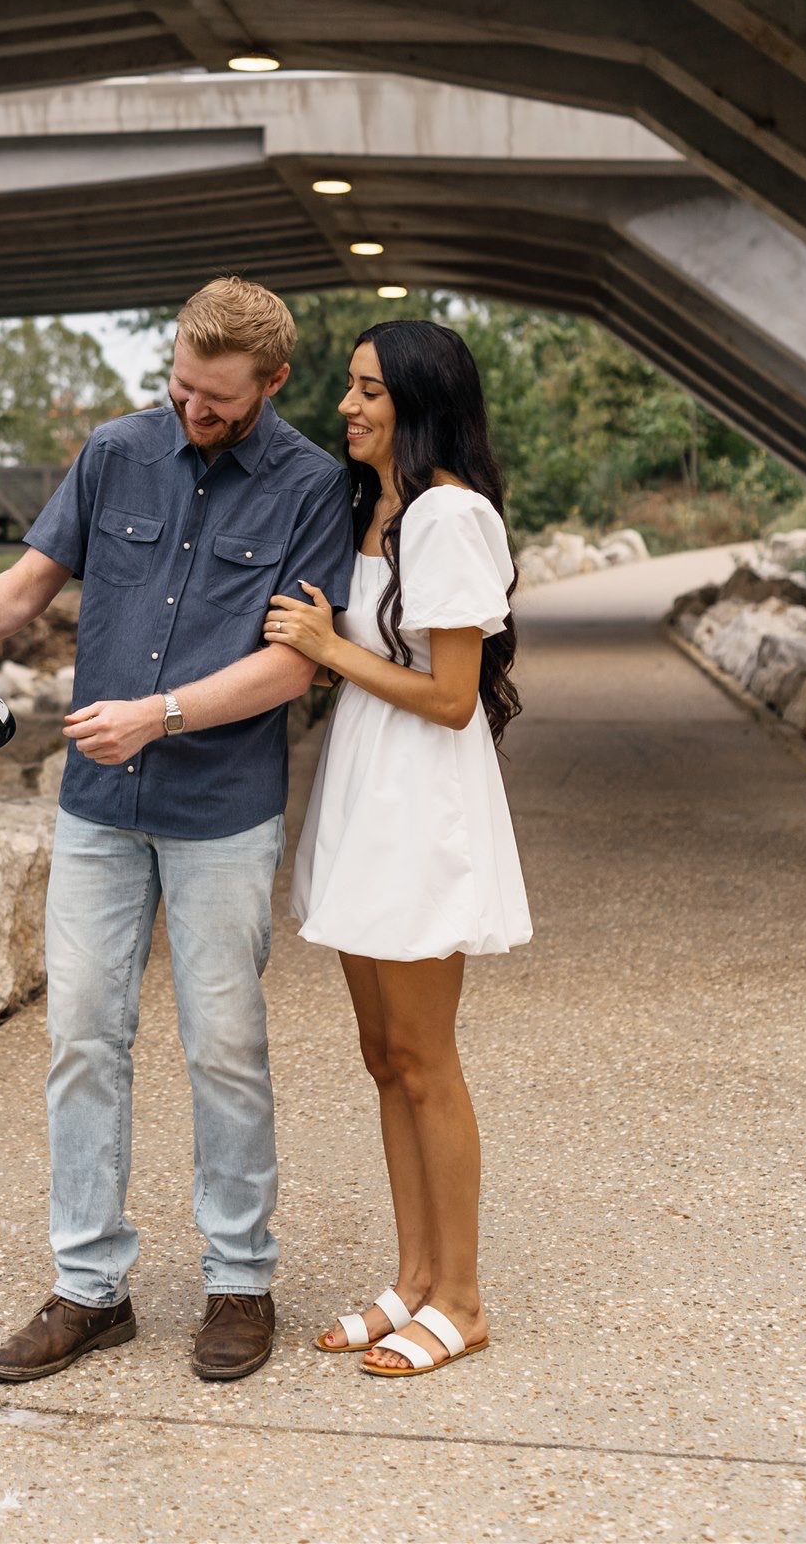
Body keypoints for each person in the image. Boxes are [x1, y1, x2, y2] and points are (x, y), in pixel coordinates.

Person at [0, 278, 354, 1384]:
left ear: (272, 382)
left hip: (222, 811)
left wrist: (161, 714)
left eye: (218, 399)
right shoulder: (115, 451)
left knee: (225, 1048)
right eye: (180, 386)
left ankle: (240, 1280)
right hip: (99, 810)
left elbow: (295, 665)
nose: (193, 410)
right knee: (81, 1040)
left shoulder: (312, 485)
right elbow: (33, 582)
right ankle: (89, 1289)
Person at [262, 317, 530, 1378]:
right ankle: (413, 1275)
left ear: (420, 403)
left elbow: (455, 697)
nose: (347, 405)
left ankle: (461, 1297)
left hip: (422, 803)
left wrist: (329, 648)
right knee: (383, 1056)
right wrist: (330, 647)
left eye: (370, 390)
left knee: (425, 1059)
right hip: (366, 790)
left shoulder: (449, 514)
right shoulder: (374, 509)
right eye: (349, 385)